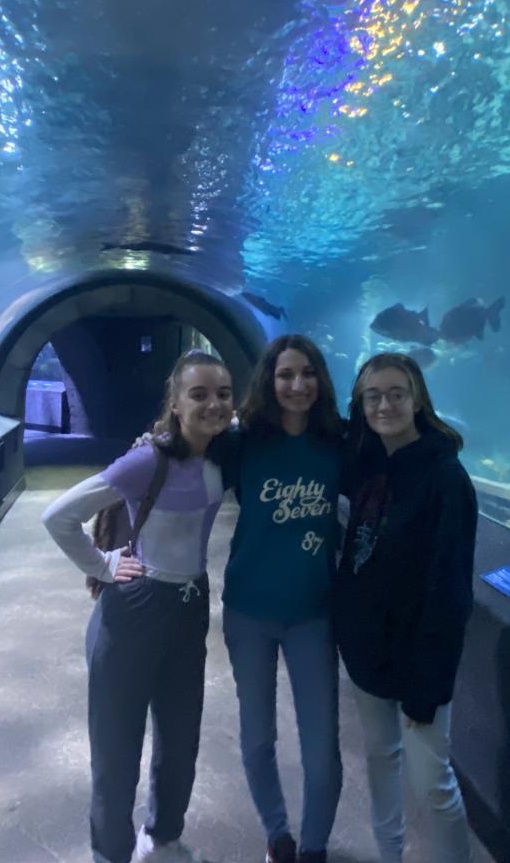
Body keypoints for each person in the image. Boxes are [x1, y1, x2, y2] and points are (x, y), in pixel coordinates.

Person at [41, 350, 235, 863]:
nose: (213, 404)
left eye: (223, 393)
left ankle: (165, 836)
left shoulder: (224, 455)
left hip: (190, 607)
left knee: (181, 739)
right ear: (175, 402)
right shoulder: (148, 460)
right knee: (116, 747)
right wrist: (102, 565)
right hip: (134, 610)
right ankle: (110, 852)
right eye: (198, 394)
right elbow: (58, 516)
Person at [334, 352, 477, 863]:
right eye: (373, 396)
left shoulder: (446, 478)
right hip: (367, 650)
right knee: (380, 759)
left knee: (433, 782)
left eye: (396, 394)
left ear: (418, 400)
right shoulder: (367, 462)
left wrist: (429, 685)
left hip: (418, 662)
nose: (384, 405)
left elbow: (451, 591)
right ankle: (388, 853)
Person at [220, 335, 345, 863]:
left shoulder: (339, 442)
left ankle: (313, 847)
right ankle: (278, 835)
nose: (298, 384)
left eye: (308, 372)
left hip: (312, 615)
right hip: (248, 611)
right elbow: (183, 455)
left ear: (321, 380)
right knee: (257, 738)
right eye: (286, 374)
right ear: (268, 381)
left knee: (322, 752)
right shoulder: (242, 443)